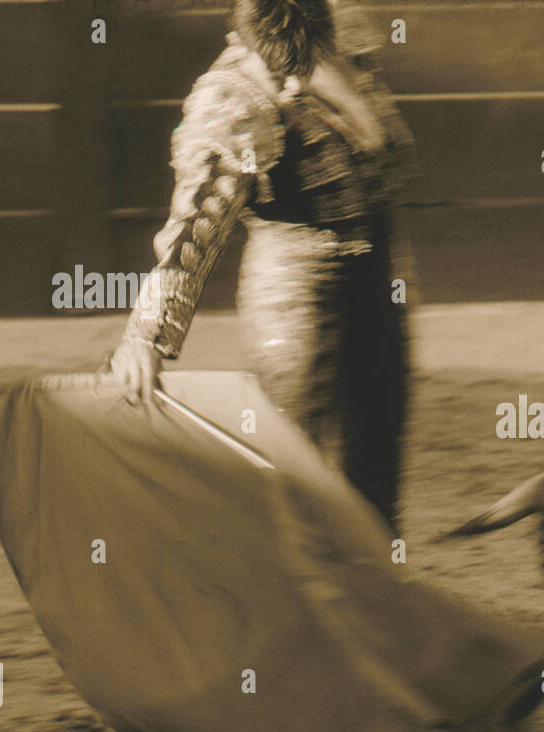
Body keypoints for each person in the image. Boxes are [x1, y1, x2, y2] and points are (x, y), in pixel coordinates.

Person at [108, 0, 417, 530]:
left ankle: (369, 602)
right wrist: (148, 333)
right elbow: (199, 219)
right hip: (296, 284)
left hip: (379, 273)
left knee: (378, 460)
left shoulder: (343, 34)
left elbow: (391, 160)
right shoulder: (231, 97)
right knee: (291, 467)